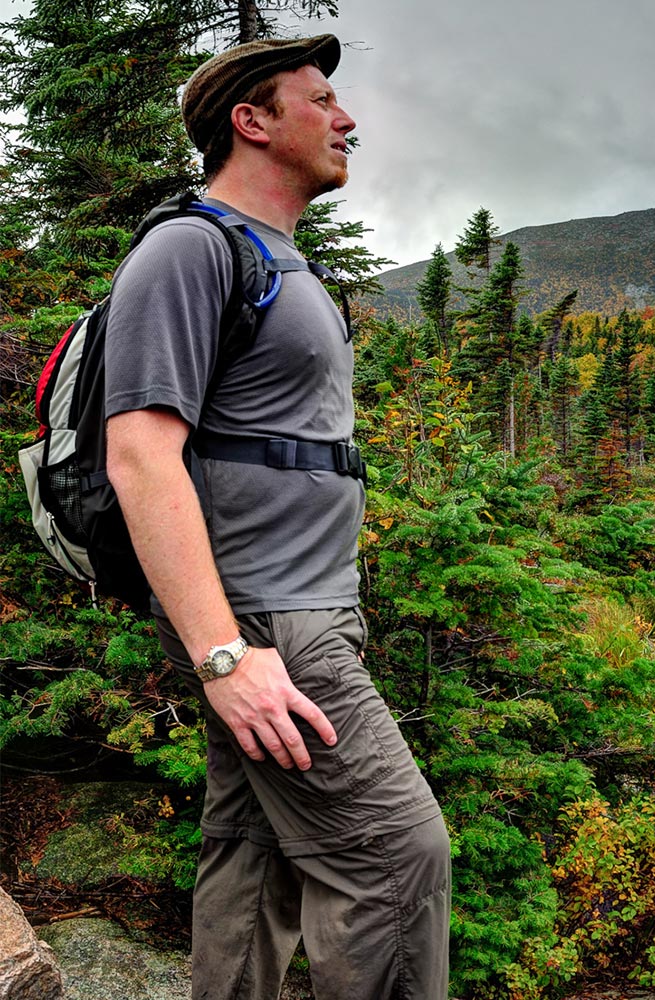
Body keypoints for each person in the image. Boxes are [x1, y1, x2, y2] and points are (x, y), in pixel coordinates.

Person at [95, 34, 449, 999]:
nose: (347, 120)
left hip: (293, 613)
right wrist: (223, 656)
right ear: (252, 122)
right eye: (321, 99)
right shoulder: (188, 248)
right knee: (396, 855)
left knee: (251, 855)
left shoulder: (278, 263)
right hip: (263, 624)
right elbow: (139, 456)